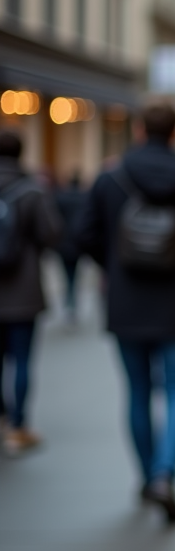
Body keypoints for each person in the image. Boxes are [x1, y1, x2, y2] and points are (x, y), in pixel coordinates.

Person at [76, 103, 175, 524]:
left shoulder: (110, 178)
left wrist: (116, 269)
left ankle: (146, 477)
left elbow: (83, 235)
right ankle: (166, 475)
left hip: (127, 302)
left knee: (138, 391)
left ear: (139, 130)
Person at [0, 131, 62, 454]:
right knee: (22, 360)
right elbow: (50, 234)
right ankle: (18, 425)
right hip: (22, 289)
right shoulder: (31, 191)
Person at [54, 171, 88, 322]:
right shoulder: (83, 198)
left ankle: (69, 304)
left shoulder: (61, 198)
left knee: (66, 274)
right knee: (75, 274)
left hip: (63, 243)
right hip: (78, 243)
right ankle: (72, 304)